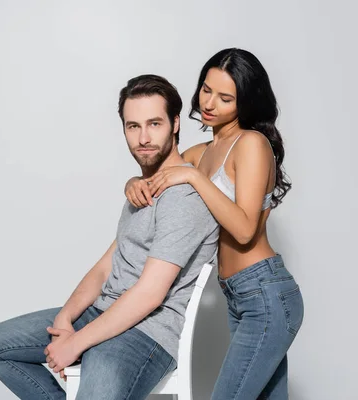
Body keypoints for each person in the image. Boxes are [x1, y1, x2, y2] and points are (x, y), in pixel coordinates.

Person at [0, 74, 219, 400]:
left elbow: (149, 294)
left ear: (175, 124)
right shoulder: (143, 189)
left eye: (154, 124)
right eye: (133, 126)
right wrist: (66, 317)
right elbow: (106, 267)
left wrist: (75, 342)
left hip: (145, 333)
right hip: (102, 314)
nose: (143, 137)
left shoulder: (183, 200)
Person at [124, 48, 304, 399]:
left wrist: (194, 179)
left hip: (265, 293)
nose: (209, 103)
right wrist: (132, 183)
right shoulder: (199, 152)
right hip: (236, 296)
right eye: (207, 89)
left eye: (225, 98)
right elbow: (157, 175)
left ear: (245, 102)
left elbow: (243, 229)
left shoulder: (251, 144)